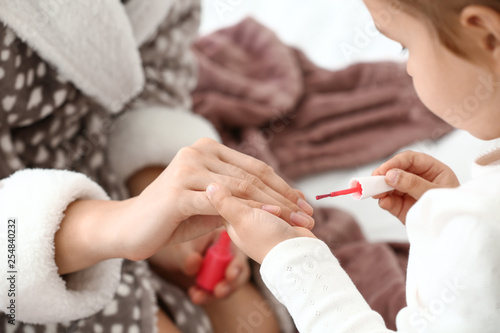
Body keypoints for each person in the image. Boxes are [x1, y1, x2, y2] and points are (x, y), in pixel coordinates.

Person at [0, 0, 315, 332]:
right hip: (14, 247)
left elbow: (150, 86)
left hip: (96, 165)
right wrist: (116, 225)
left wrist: (155, 186)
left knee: (253, 321)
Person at [204, 0, 500, 332]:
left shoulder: (482, 225)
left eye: (406, 47)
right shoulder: (480, 220)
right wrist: (444, 230)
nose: (408, 69)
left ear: (488, 37)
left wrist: (291, 259)